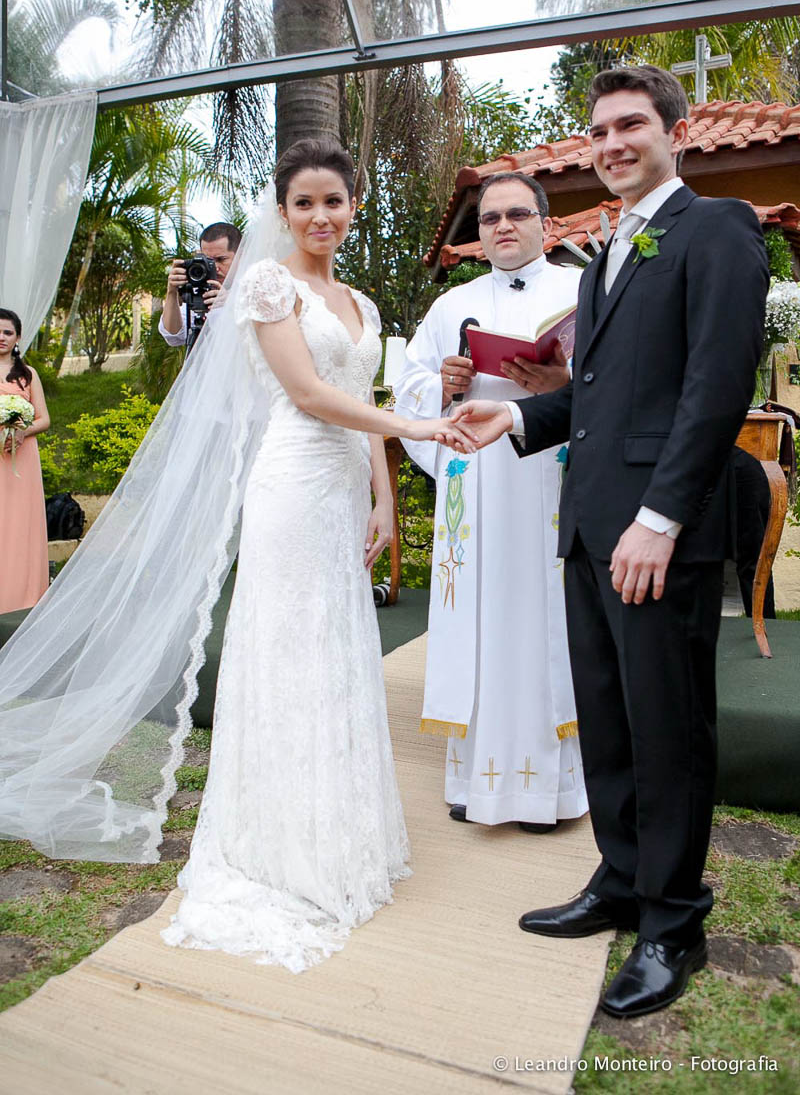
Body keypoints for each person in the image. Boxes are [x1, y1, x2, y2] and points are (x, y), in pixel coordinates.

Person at [0, 140, 475, 973]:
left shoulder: (358, 298)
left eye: (335, 201)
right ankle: (280, 846)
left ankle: (341, 832)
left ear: (354, 204)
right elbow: (307, 394)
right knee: (290, 653)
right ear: (283, 211)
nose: (321, 217)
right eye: (305, 204)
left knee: (338, 653)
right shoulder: (267, 285)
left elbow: (358, 398)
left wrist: (383, 495)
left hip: (342, 489)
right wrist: (418, 428)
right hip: (291, 486)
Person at [449, 66, 768, 1018]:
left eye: (632, 124)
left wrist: (660, 520)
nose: (613, 142)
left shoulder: (717, 229)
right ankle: (622, 880)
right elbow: (595, 397)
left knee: (668, 730)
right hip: (588, 527)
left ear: (675, 132)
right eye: (600, 131)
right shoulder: (607, 257)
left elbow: (715, 386)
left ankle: (675, 923)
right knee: (612, 719)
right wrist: (511, 421)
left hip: (654, 533)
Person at [393, 174, 588, 831]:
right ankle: (472, 781)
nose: (502, 226)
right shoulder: (454, 303)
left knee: (547, 623)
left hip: (549, 482)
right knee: (478, 618)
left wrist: (562, 380)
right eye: (489, 219)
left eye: (516, 214)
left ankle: (549, 793)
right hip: (475, 489)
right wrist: (442, 383)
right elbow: (410, 384)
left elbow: (614, 380)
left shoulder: (581, 292)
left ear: (545, 223)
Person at [0, 309, 50, 615]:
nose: (1, 337)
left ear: (18, 337)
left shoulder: (28, 374)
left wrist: (21, 433)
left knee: (20, 523)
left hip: (22, 459)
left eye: (7, 332)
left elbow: (44, 419)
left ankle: (23, 592)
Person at [158, 222, 242, 346]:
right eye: (208, 261)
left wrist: (232, 302)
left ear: (240, 255)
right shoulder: (200, 292)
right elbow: (173, 336)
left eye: (220, 259)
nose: (215, 268)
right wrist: (172, 292)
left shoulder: (256, 287)